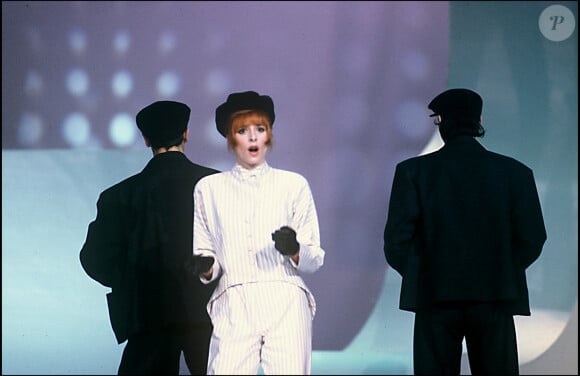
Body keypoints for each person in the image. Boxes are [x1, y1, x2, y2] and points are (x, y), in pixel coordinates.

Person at [383, 88, 547, 375]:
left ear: (442, 121)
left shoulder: (412, 172)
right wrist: (502, 271)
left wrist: (423, 274)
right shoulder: (515, 173)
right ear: (479, 119)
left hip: (433, 299)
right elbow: (533, 238)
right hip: (495, 298)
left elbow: (396, 243)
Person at [79, 100, 219, 375]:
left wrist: (132, 280)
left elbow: (94, 259)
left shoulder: (118, 196)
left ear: (145, 139)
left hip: (147, 317)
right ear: (186, 133)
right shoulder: (217, 187)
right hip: (209, 314)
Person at [191, 90, 325, 375]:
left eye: (260, 129)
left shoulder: (293, 185)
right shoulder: (209, 189)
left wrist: (295, 249)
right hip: (233, 302)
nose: (252, 137)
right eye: (242, 130)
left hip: (285, 300)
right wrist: (205, 266)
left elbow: (314, 259)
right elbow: (207, 255)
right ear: (230, 138)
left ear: (269, 136)